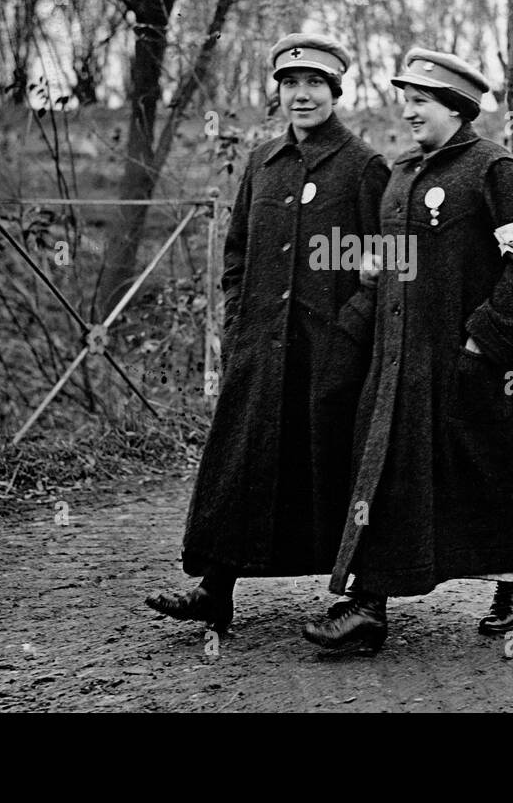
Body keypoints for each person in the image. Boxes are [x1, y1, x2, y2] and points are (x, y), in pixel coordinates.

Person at [302, 48, 513, 653]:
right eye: (406, 99)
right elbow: (383, 272)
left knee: (497, 474)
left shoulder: (494, 168)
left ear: (458, 109)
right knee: (382, 471)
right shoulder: (401, 174)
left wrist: (481, 341)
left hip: (481, 366)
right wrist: (352, 336)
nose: (408, 111)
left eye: (422, 101)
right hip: (400, 366)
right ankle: (366, 607)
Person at [146, 34, 389, 632]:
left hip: (330, 353)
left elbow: (385, 268)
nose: (300, 95)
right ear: (277, 91)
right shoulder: (262, 162)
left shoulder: (364, 168)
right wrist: (238, 323)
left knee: (339, 467)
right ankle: (215, 590)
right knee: (241, 461)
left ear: (336, 91)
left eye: (314, 85)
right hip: (260, 346)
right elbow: (237, 254)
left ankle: (367, 602)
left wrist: (349, 336)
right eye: (289, 84)